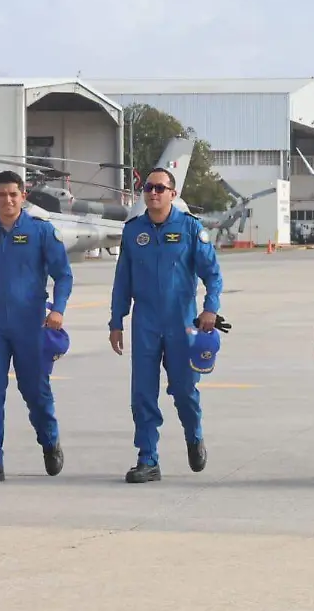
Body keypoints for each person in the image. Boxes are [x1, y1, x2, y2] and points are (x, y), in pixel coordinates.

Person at [109, 168, 223, 483]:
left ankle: (193, 434)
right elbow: (123, 280)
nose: (154, 193)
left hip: (181, 323)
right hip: (145, 323)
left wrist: (210, 308)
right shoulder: (133, 231)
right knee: (142, 394)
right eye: (148, 187)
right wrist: (116, 320)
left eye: (160, 188)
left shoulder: (189, 229)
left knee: (184, 391)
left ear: (173, 193)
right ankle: (148, 459)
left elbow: (212, 274)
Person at [0, 170, 73, 484]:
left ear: (23, 196)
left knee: (35, 393)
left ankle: (49, 440)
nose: (7, 200)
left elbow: (63, 275)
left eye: (13, 194)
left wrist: (59, 310)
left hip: (31, 325)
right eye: (1, 194)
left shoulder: (41, 232)